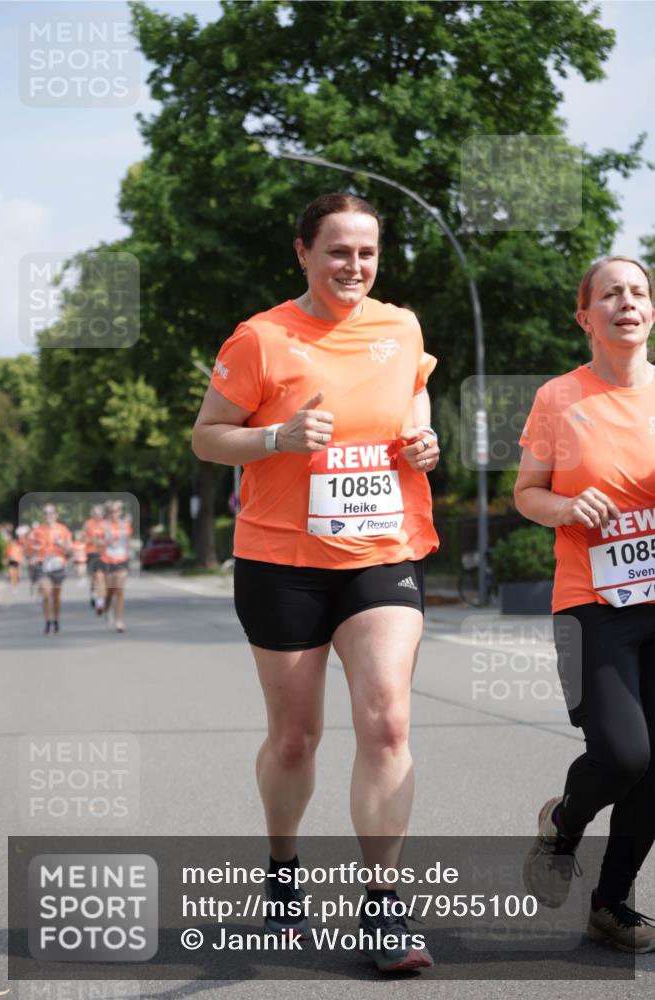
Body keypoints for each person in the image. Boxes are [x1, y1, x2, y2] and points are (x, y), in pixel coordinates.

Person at [192, 193, 440, 972]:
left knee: (387, 722)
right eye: (337, 251)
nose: (353, 267)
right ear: (302, 252)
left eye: (366, 253)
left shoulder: (398, 326)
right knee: (295, 738)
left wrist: (423, 437)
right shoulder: (261, 338)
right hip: (281, 562)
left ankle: (382, 910)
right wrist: (277, 436)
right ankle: (282, 878)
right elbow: (207, 438)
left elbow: (413, 390)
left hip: (380, 551)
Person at [515, 256, 655, 953]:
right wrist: (567, 505)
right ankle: (561, 827)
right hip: (590, 604)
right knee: (624, 755)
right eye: (610, 294)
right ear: (585, 318)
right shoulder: (557, 399)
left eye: (637, 292)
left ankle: (611, 903)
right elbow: (525, 493)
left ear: (651, 311)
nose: (625, 302)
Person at [29, 504, 72, 634]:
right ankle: (47, 621)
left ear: (56, 515)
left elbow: (69, 548)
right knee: (47, 594)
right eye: (46, 513)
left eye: (51, 513)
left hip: (58, 564)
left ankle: (56, 620)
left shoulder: (63, 529)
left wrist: (62, 544)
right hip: (43, 565)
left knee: (56, 596)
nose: (49, 515)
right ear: (43, 515)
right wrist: (33, 551)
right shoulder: (37, 530)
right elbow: (29, 547)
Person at [96, 500, 131, 633]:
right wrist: (105, 541)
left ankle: (119, 621)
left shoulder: (126, 525)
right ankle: (106, 609)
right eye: (111, 511)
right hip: (107, 560)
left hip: (121, 560)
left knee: (119, 590)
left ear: (120, 512)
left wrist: (127, 546)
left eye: (116, 511)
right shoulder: (103, 525)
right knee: (109, 592)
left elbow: (127, 541)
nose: (113, 514)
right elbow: (95, 541)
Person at [84, 504, 105, 610]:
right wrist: (93, 540)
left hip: (103, 554)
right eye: (95, 513)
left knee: (100, 577)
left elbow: (109, 539)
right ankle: (93, 594)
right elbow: (84, 538)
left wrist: (101, 542)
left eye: (99, 513)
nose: (97, 515)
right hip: (91, 552)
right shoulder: (88, 524)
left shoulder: (106, 524)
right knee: (94, 577)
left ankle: (100, 601)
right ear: (92, 514)